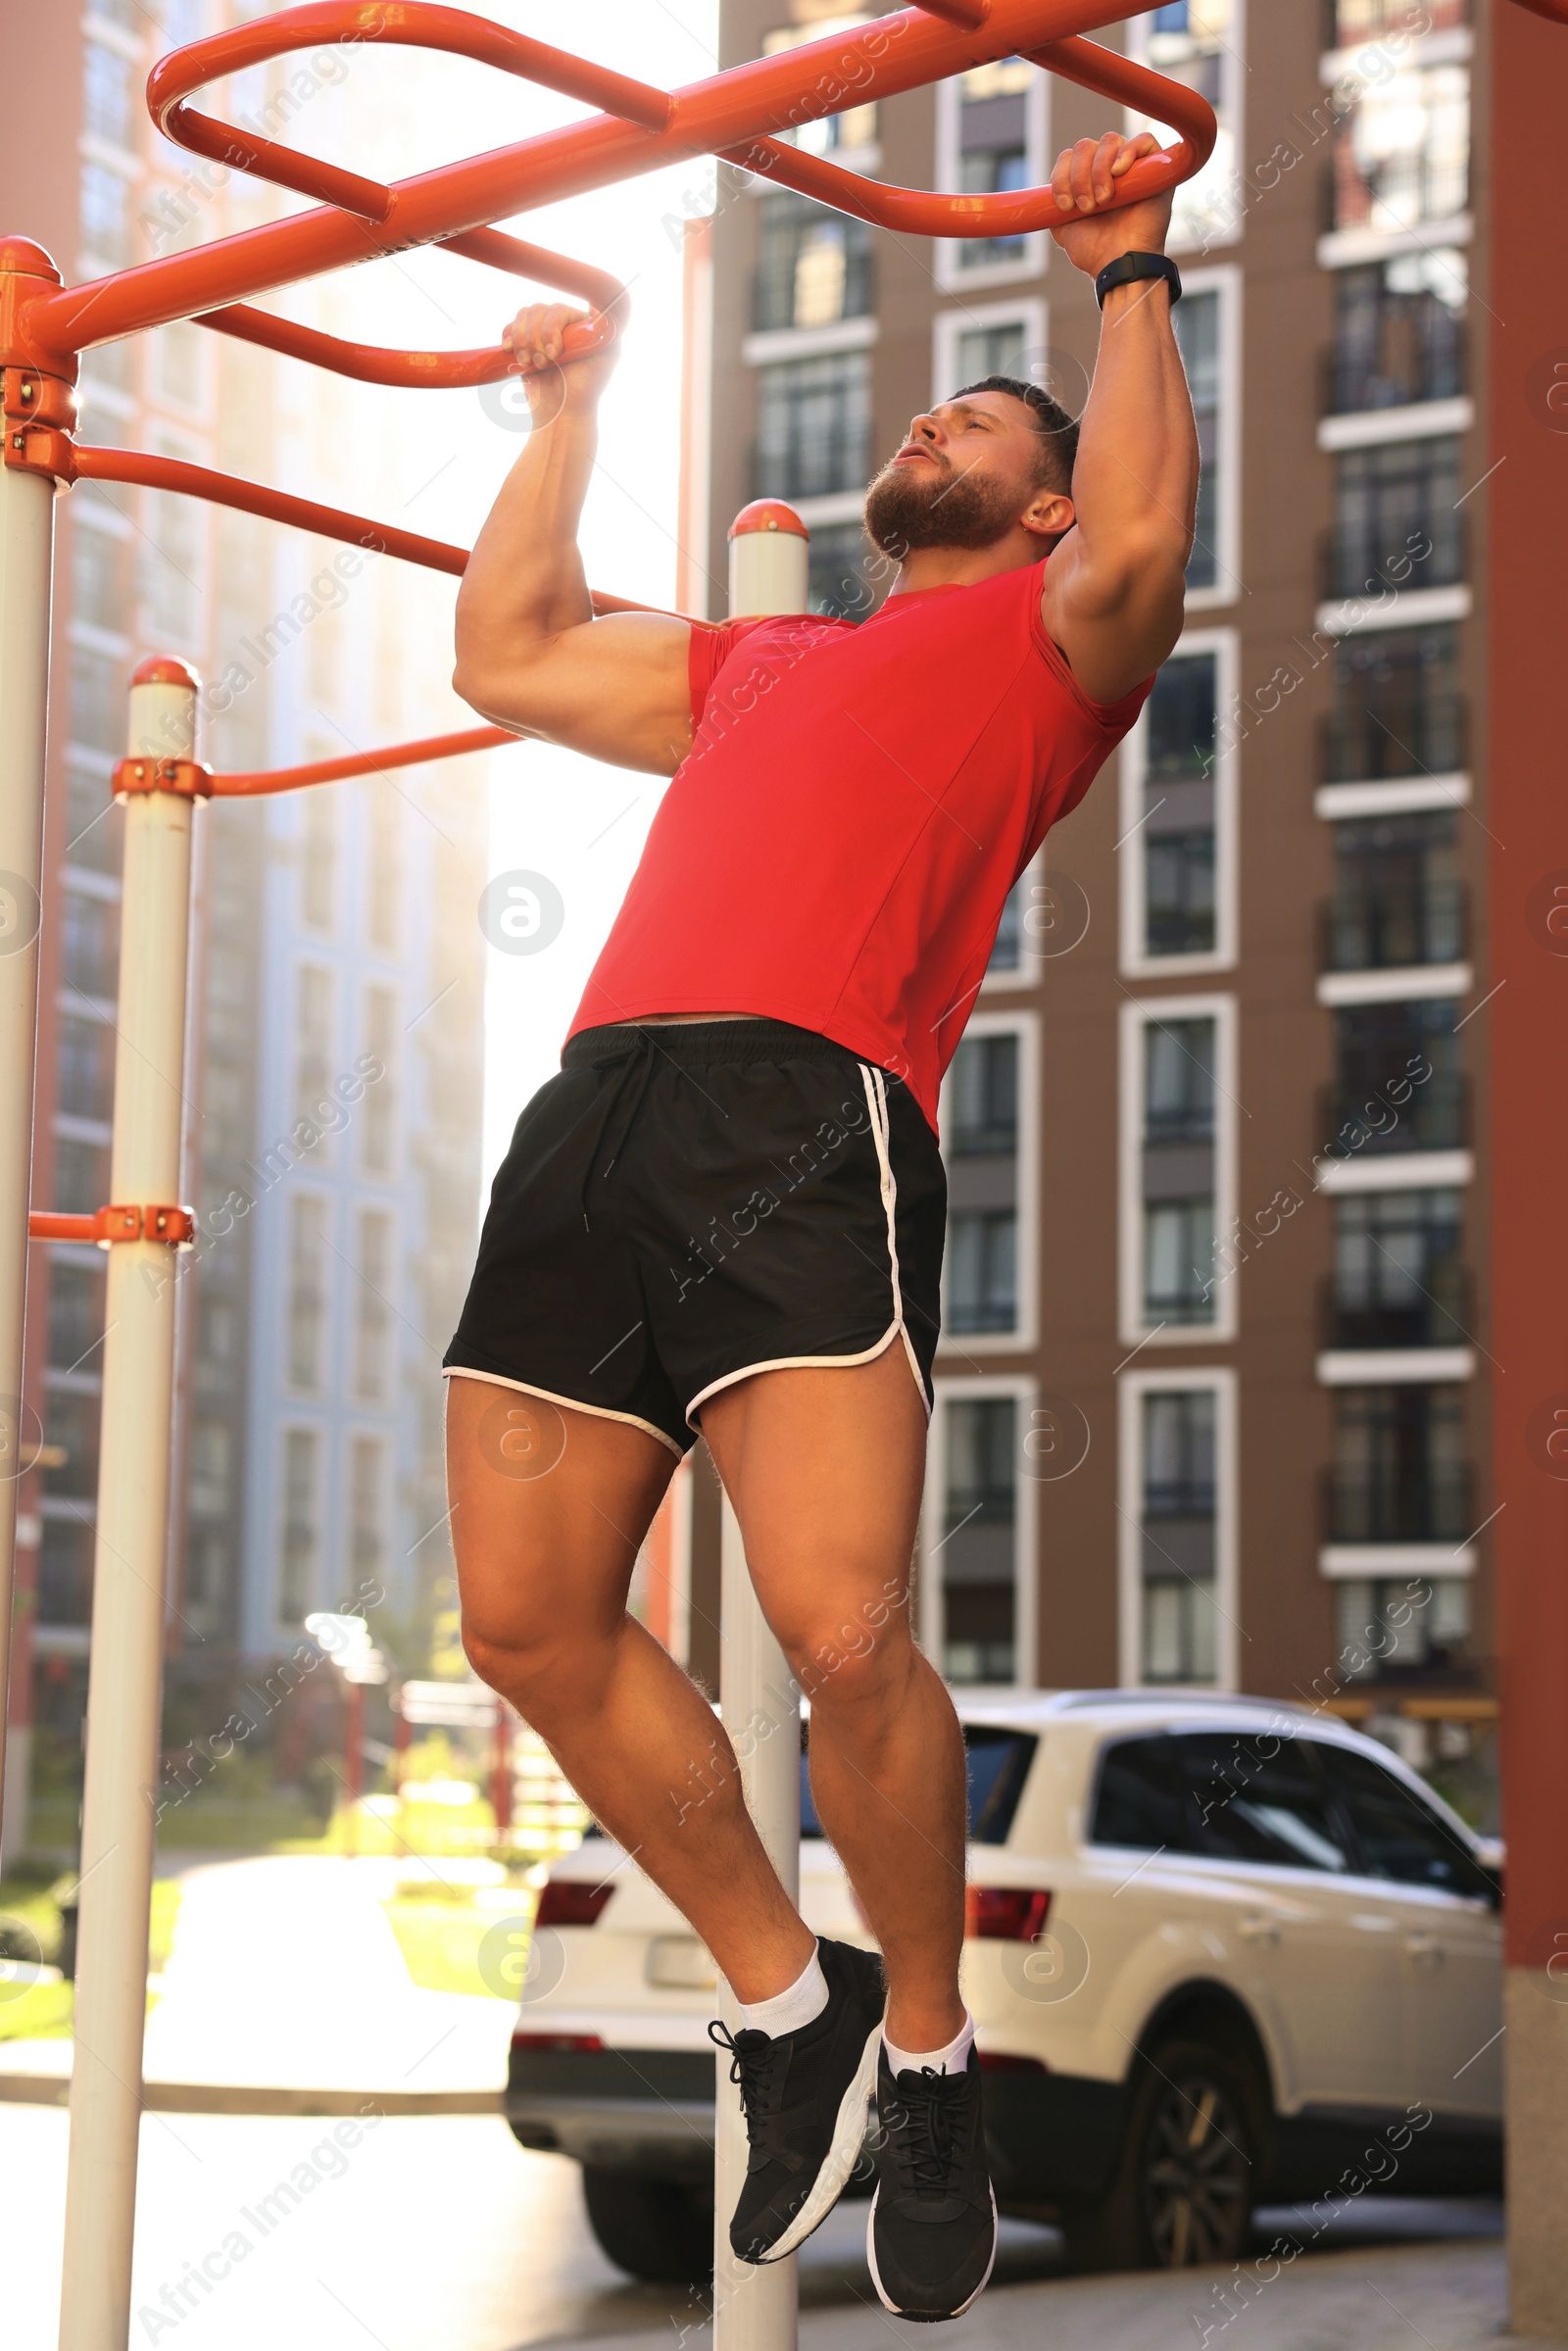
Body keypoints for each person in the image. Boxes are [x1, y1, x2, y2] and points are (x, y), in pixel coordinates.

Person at [444, 127, 1197, 2322]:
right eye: (919, 410)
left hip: (804, 1118)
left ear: (1039, 501)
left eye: (971, 419)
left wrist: (1126, 262)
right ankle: (795, 2010)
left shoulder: (1055, 649)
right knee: (521, 1624)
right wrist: (568, 413)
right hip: (597, 1116)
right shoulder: (752, 676)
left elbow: (1150, 519)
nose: (919, 425)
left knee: (840, 1627)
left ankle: (937, 2059)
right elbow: (506, 649)